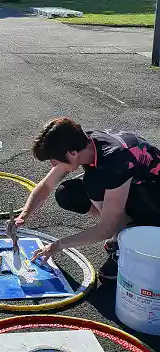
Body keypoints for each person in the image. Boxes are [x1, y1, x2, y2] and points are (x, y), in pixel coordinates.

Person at [15, 117, 160, 280]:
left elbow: (106, 229)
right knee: (67, 193)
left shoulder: (114, 160)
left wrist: (56, 246)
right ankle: (127, 224)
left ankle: (127, 241)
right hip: (135, 185)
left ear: (72, 153)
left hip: (154, 197)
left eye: (53, 160)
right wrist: (23, 216)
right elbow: (47, 185)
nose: (52, 165)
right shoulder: (84, 143)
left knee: (95, 184)